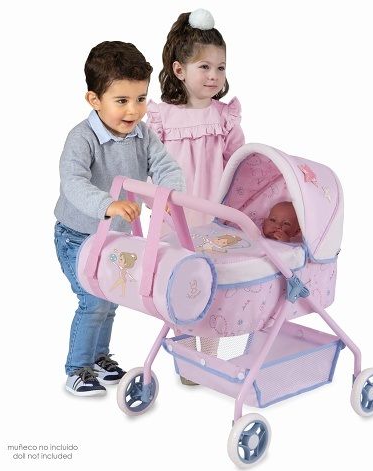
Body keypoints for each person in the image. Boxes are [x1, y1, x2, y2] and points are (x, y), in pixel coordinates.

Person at [54, 41, 185, 396]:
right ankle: (77, 369)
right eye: (122, 100)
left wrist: (171, 194)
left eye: (141, 99)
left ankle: (99, 358)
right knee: (94, 299)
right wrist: (108, 204)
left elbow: (165, 166)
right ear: (94, 100)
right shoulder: (82, 138)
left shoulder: (143, 135)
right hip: (77, 235)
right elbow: (73, 182)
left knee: (111, 298)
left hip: (116, 237)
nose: (133, 110)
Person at [147, 8, 245, 385]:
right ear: (179, 70)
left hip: (214, 214)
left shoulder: (225, 117)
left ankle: (209, 356)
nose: (214, 76)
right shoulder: (162, 118)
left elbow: (238, 162)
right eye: (204, 67)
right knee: (180, 282)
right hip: (177, 216)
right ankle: (186, 355)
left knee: (213, 282)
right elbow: (150, 164)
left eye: (220, 68)